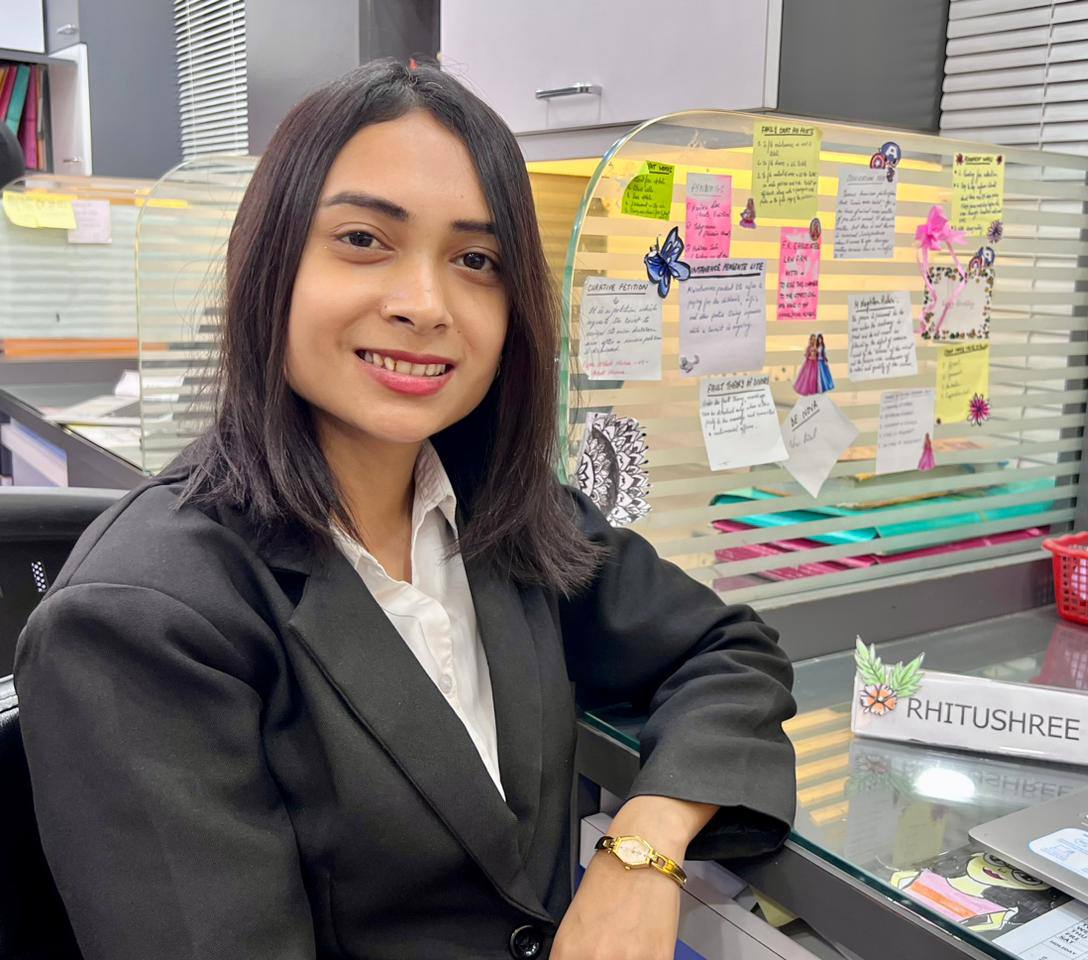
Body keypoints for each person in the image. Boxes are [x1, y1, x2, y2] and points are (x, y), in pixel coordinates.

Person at [15, 60, 797, 960]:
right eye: (363, 239)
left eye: (476, 260)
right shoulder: (140, 623)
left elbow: (729, 652)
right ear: (269, 263)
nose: (426, 306)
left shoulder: (505, 517)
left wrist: (643, 846)